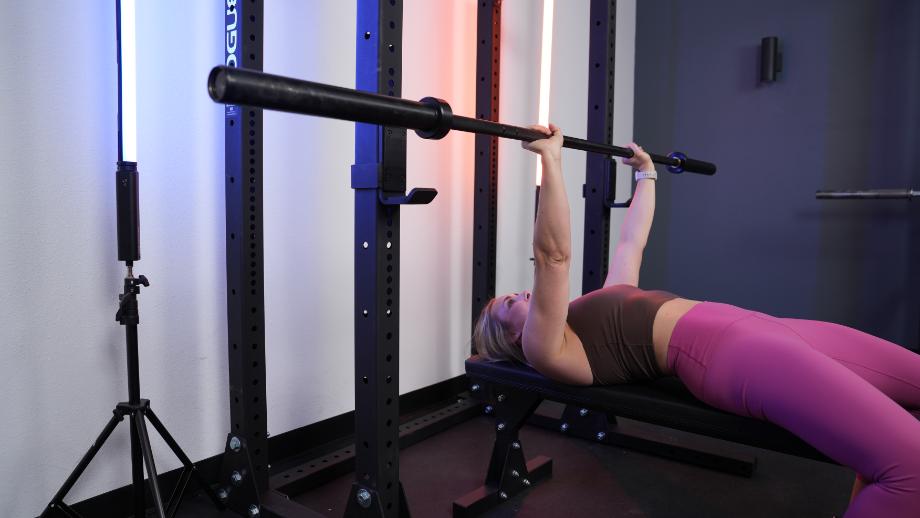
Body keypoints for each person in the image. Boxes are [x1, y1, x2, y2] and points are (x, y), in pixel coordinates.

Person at [471, 124, 920, 517]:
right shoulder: (547, 349)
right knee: (911, 467)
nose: (522, 292)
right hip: (736, 357)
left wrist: (645, 174)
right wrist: (551, 162)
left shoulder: (597, 304)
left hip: (772, 328)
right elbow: (553, 258)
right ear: (514, 338)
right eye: (512, 303)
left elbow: (632, 243)